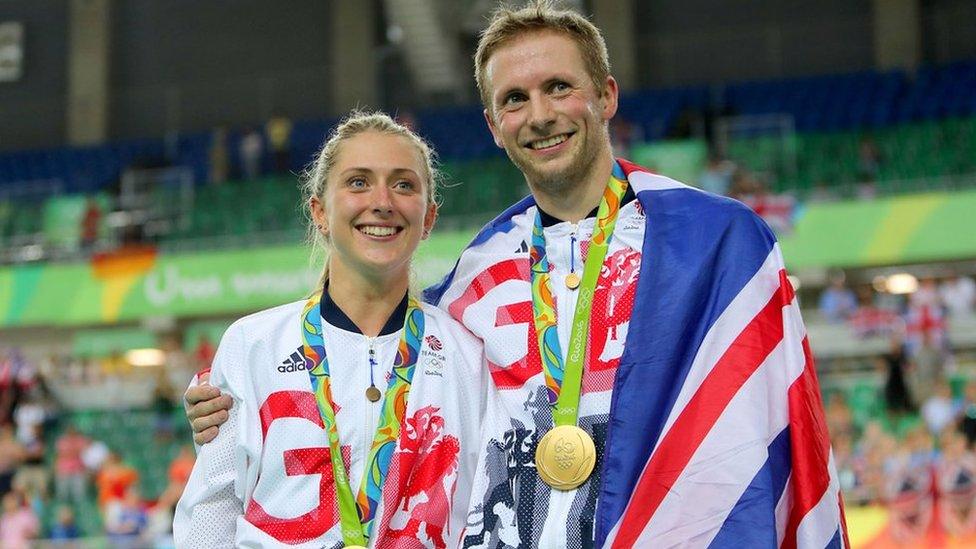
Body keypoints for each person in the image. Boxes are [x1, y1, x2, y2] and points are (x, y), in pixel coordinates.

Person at [186, 2, 846, 547]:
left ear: (605, 95)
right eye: (515, 98)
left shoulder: (717, 244)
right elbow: (393, 415)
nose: (539, 113)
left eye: (559, 87)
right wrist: (235, 417)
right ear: (494, 127)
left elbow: (786, 429)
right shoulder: (476, 277)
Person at [175, 112, 487, 548]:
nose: (382, 201)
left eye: (404, 184)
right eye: (358, 182)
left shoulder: (468, 355)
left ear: (429, 217)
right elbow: (212, 512)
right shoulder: (253, 345)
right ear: (319, 211)